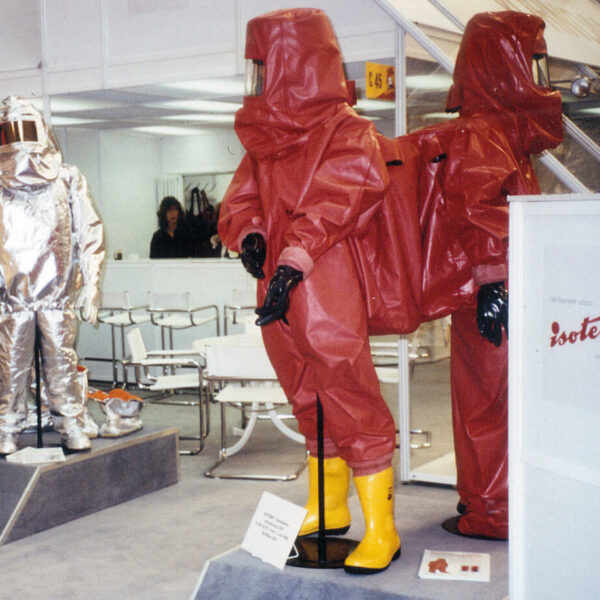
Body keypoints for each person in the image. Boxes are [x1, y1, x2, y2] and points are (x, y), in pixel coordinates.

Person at [218, 8, 411, 574]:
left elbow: (339, 198)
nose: (257, 81)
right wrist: (250, 235)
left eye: (264, 68)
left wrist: (294, 256)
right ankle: (328, 506)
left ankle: (381, 528)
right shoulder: (264, 142)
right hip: (276, 282)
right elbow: (241, 198)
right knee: (304, 394)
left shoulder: (348, 132)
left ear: (294, 64)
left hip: (325, 282)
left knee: (348, 392)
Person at [406, 11, 563, 540]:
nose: (540, 80)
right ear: (503, 65)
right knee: (490, 404)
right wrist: (495, 279)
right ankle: (492, 506)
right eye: (532, 64)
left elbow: (485, 213)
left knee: (490, 403)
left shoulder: (495, 136)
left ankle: (494, 506)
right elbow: (476, 211)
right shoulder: (486, 136)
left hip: (495, 293)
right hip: (494, 295)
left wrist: (496, 280)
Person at [0, 95, 105, 455]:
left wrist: (90, 284)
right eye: (9, 132)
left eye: (26, 129)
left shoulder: (66, 178)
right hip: (12, 299)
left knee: (61, 362)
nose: (19, 140)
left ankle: (70, 422)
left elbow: (88, 231)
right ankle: (7, 426)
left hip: (56, 297)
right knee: (11, 366)